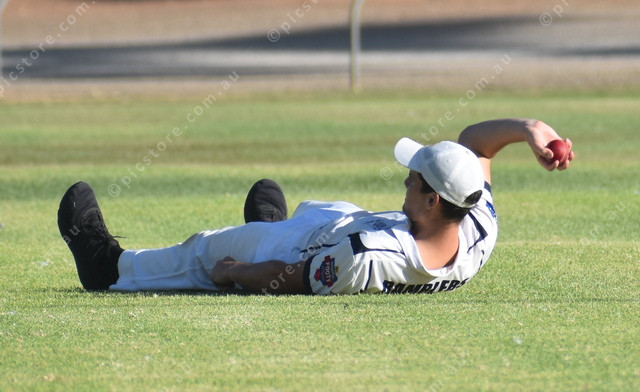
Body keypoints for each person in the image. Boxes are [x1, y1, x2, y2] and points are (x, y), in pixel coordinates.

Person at [58, 118, 574, 295]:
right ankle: (269, 227)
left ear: (431, 199)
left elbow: (293, 279)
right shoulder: (477, 226)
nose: (406, 177)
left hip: (299, 255)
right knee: (324, 208)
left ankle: (110, 267)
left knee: (206, 251)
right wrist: (530, 130)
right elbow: (475, 144)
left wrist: (237, 271)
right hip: (342, 229)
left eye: (413, 177)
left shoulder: (369, 256)